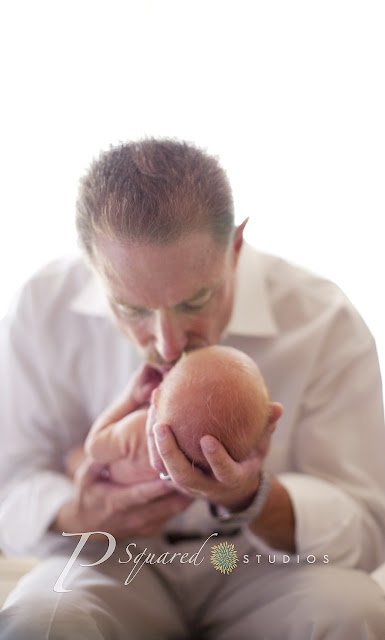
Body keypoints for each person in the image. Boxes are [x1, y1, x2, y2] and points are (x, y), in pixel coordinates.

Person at [1, 138, 385, 639]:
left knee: (353, 611)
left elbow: (368, 525)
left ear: (235, 250)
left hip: (255, 562)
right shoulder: (43, 307)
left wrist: (253, 496)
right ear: (93, 269)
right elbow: (11, 484)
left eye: (194, 300)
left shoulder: (320, 317)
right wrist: (81, 511)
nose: (166, 343)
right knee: (42, 620)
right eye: (132, 309)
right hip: (116, 558)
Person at [80, 345, 280, 483]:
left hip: (107, 476)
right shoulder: (202, 477)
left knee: (76, 460)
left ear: (156, 397)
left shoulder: (135, 429)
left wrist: (130, 398)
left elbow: (94, 447)